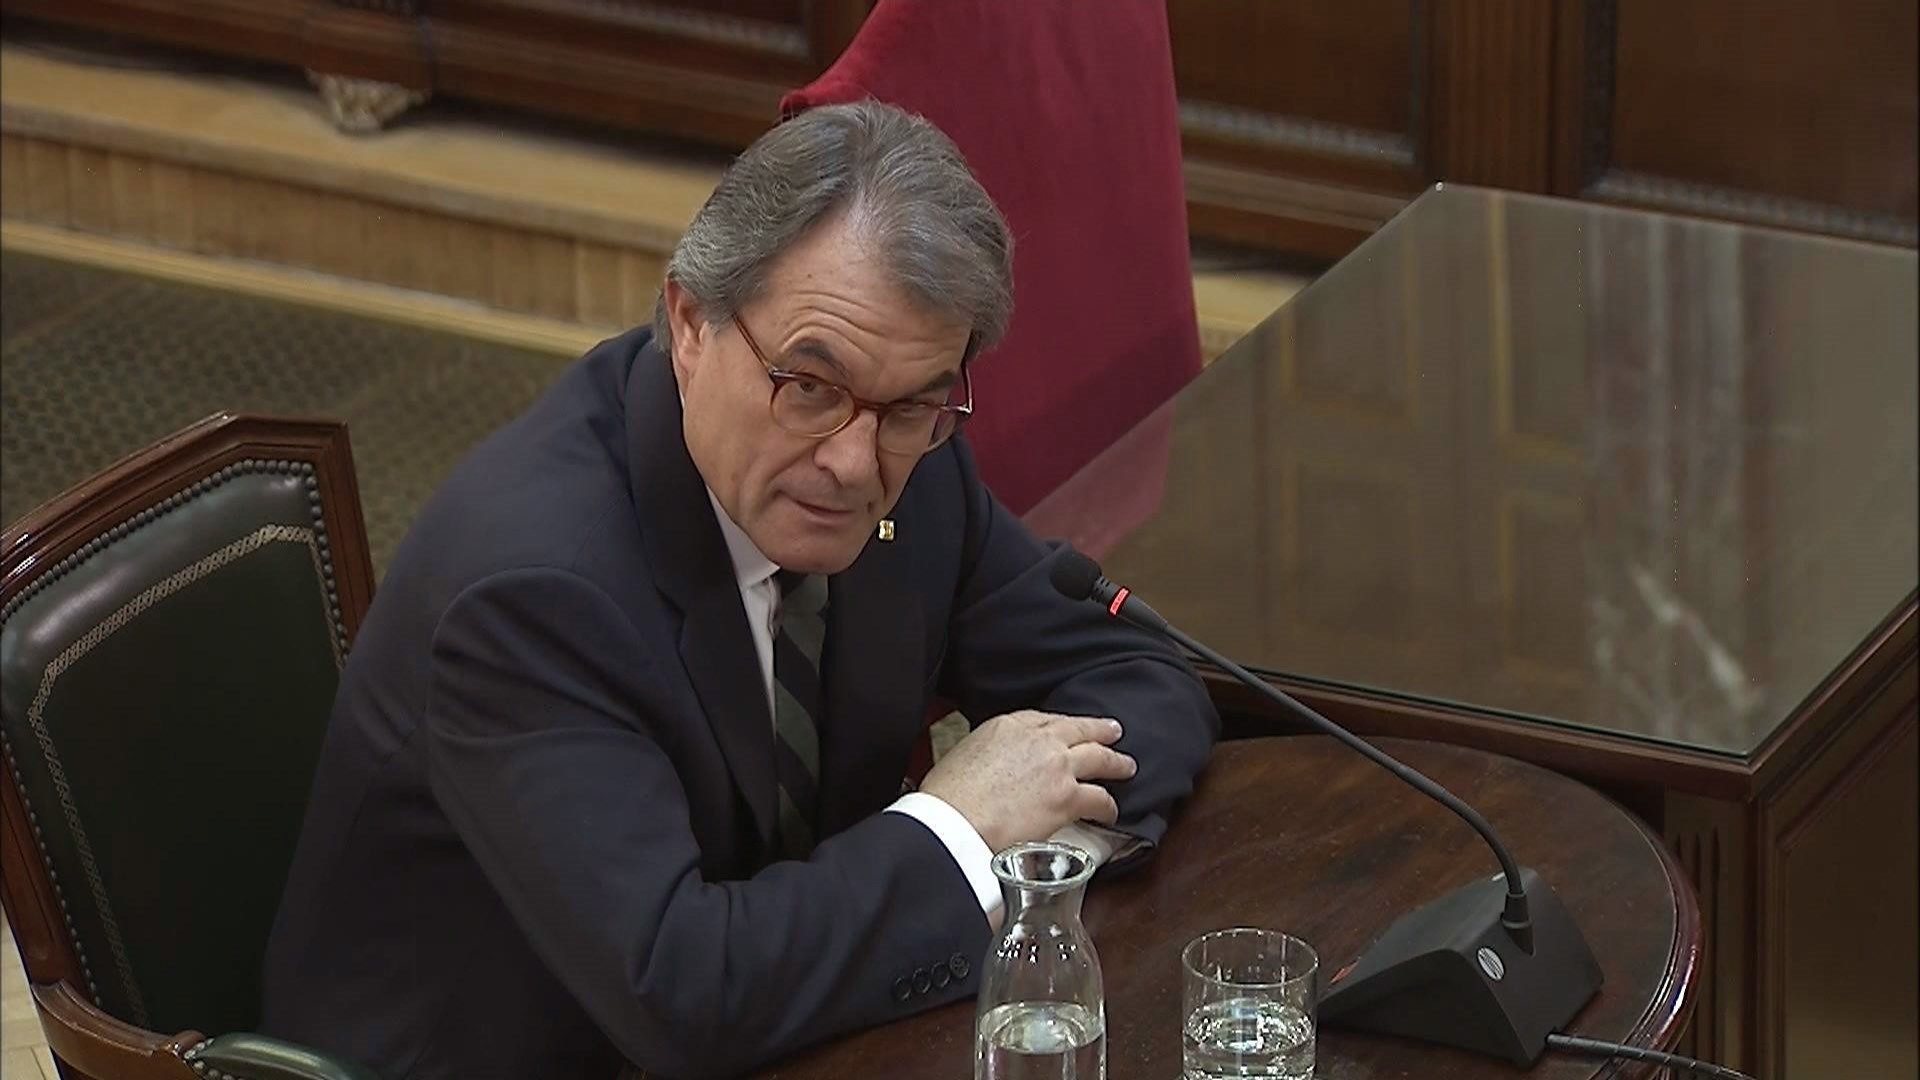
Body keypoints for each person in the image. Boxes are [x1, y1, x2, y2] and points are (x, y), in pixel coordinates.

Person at [261, 100, 1217, 1079]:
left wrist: (1038, 851)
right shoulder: (532, 596)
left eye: (913, 405)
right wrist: (959, 832)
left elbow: (1143, 679)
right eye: (809, 387)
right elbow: (681, 992)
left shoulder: (910, 463)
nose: (853, 462)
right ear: (689, 324)